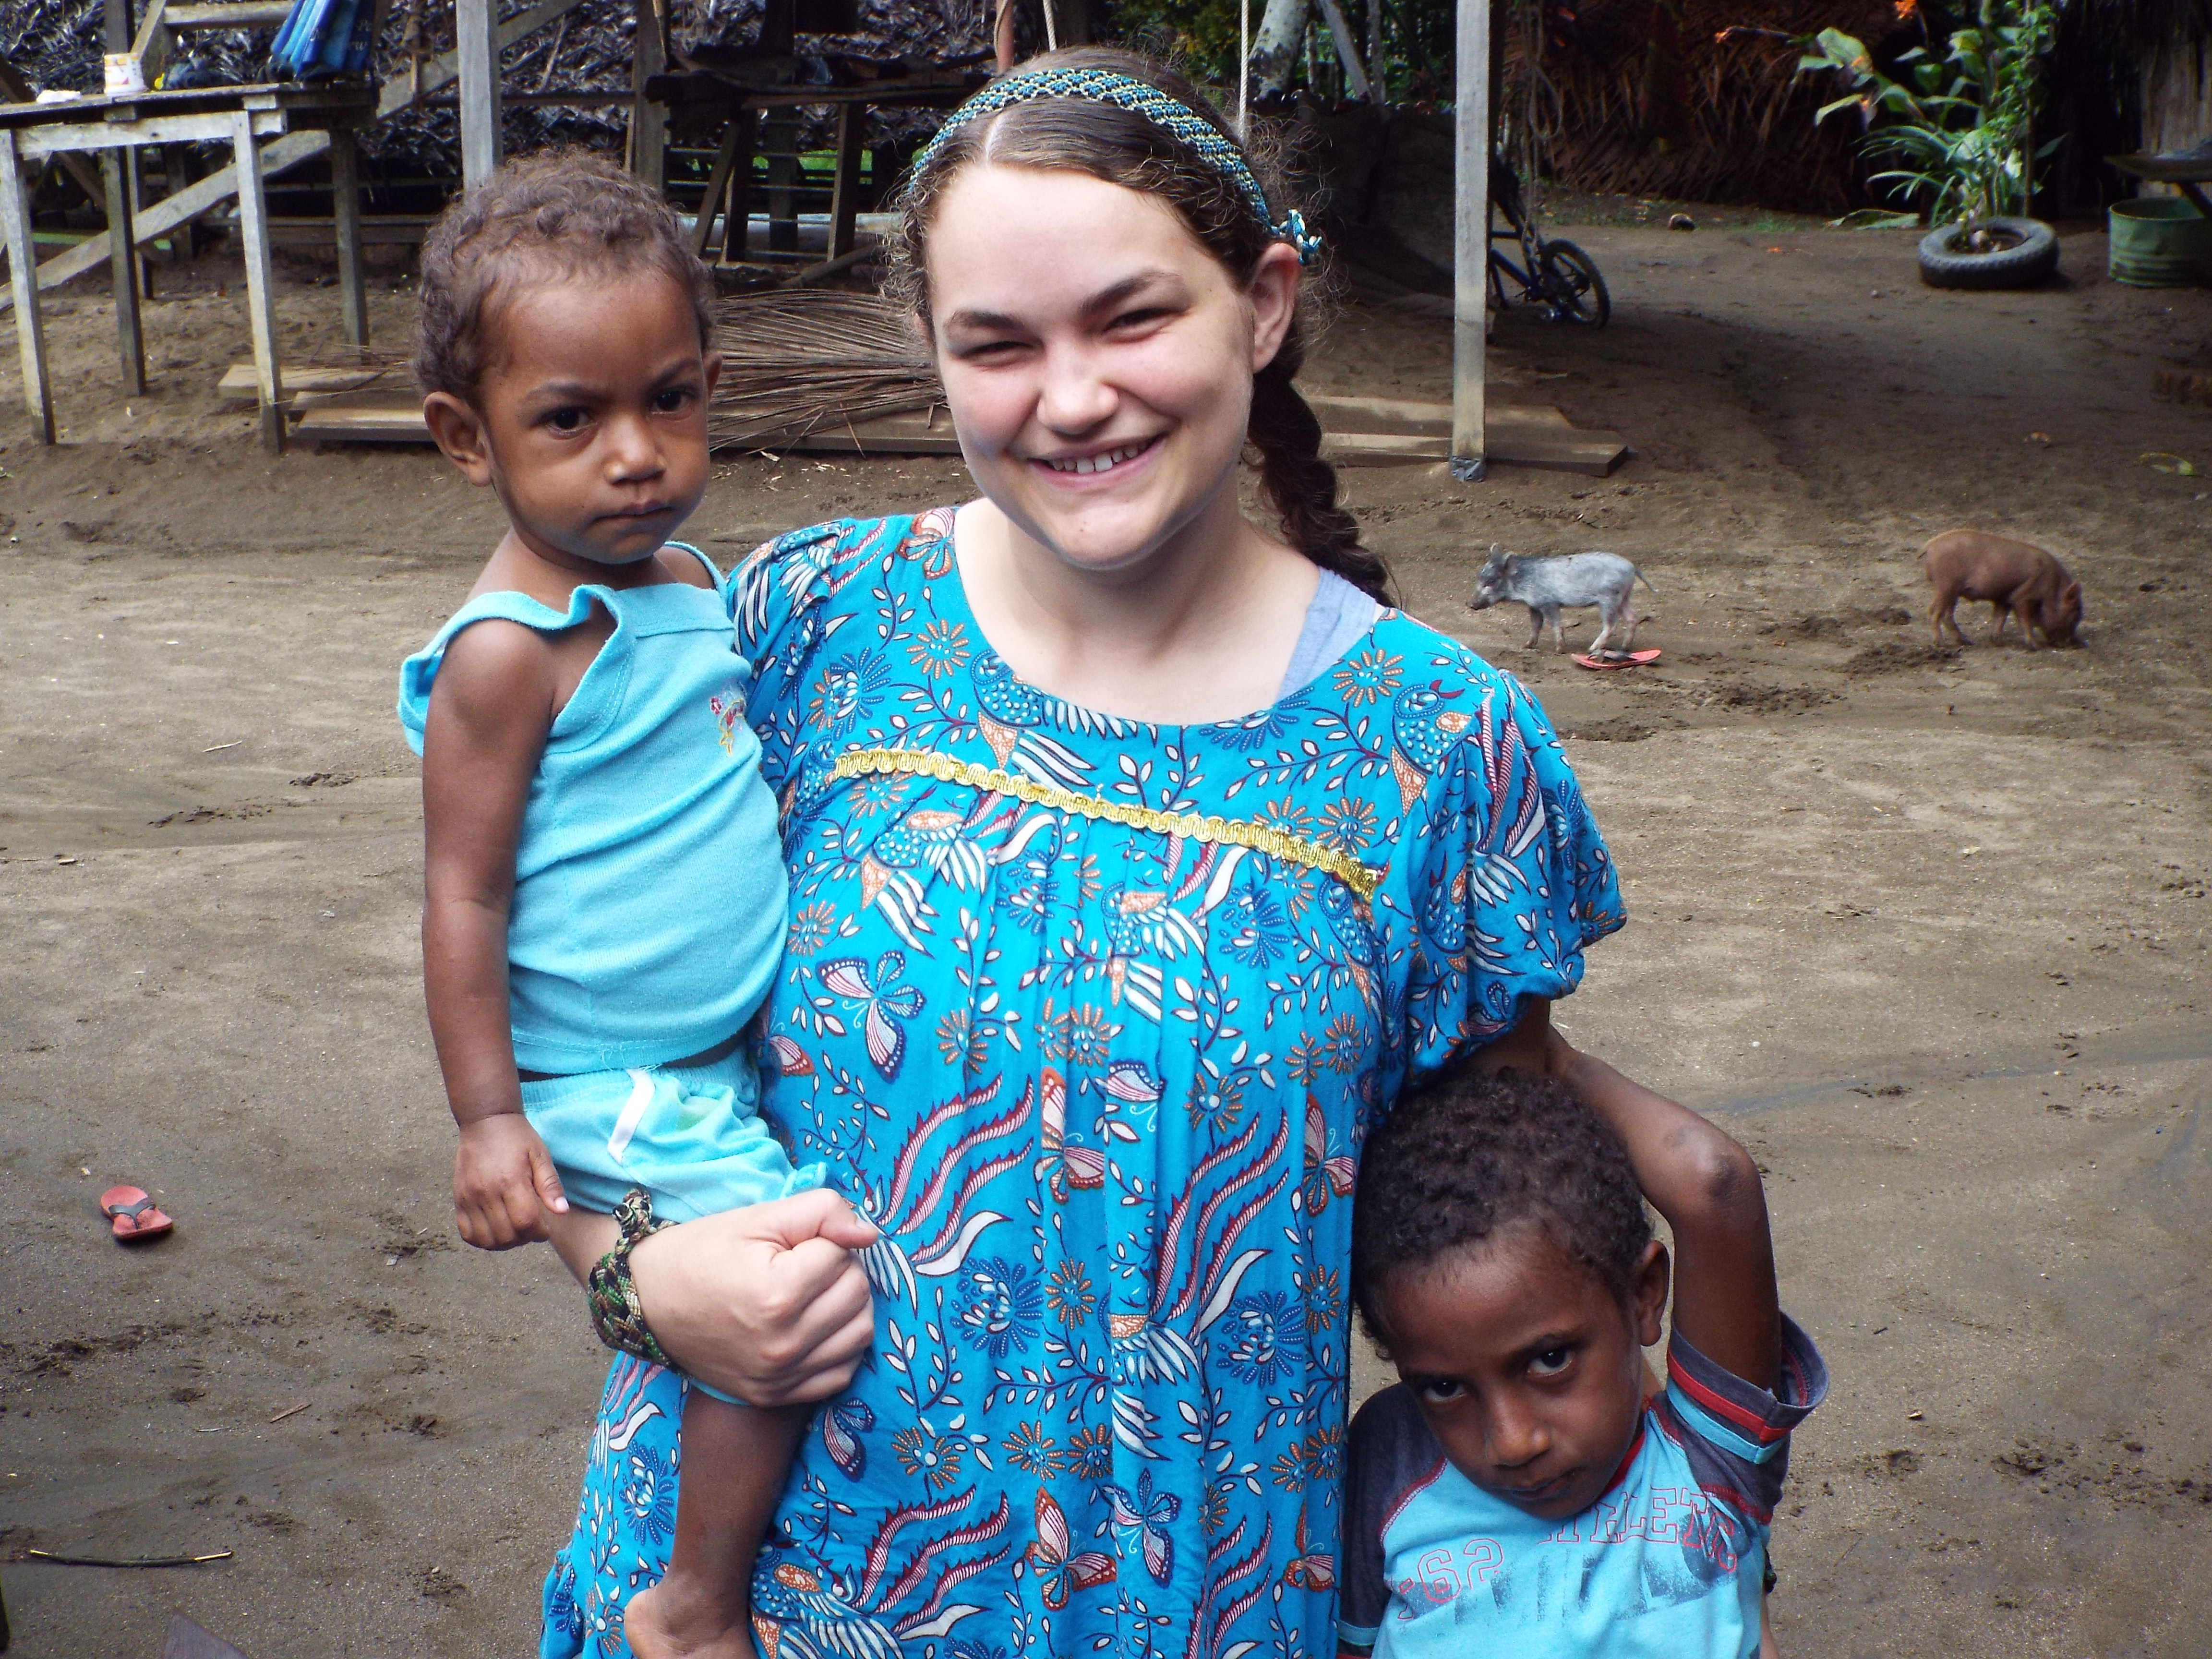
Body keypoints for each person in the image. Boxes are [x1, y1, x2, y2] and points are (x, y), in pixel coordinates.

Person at [540, 49, 1625, 1658]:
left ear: (1262, 305)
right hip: (738, 1609)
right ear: (933, 355)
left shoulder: (1440, 747)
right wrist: (629, 1272)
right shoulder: (791, 637)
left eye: (1130, 320)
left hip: (1190, 1610)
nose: (1068, 398)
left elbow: (1506, 1239)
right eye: (998, 344)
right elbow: (581, 1012)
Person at [396, 151, 862, 1659]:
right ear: (466, 439)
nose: (635, 454)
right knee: (779, 1306)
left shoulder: (685, 583)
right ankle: (695, 1602)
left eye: (668, 400)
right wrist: (489, 1121)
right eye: (571, 419)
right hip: (620, 1079)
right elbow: (462, 896)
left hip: (699, 1059)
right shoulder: (508, 654)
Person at [1335, 1035, 1827, 1658]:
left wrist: (1555, 1058)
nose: (1513, 1442)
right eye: (1444, 1387)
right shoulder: (1395, 1454)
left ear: (1644, 1297)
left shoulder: (1710, 1465)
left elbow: (1714, 1183)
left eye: (1550, 1360)